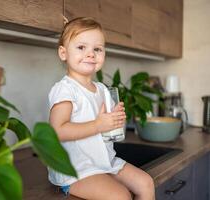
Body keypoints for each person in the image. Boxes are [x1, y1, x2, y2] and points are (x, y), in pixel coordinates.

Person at [48, 17, 155, 200]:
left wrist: (115, 120)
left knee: (146, 183)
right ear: (63, 53)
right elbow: (57, 131)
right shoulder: (65, 89)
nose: (91, 54)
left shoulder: (103, 90)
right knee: (120, 196)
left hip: (105, 161)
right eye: (81, 47)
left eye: (97, 49)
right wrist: (99, 124)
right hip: (76, 169)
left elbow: (107, 129)